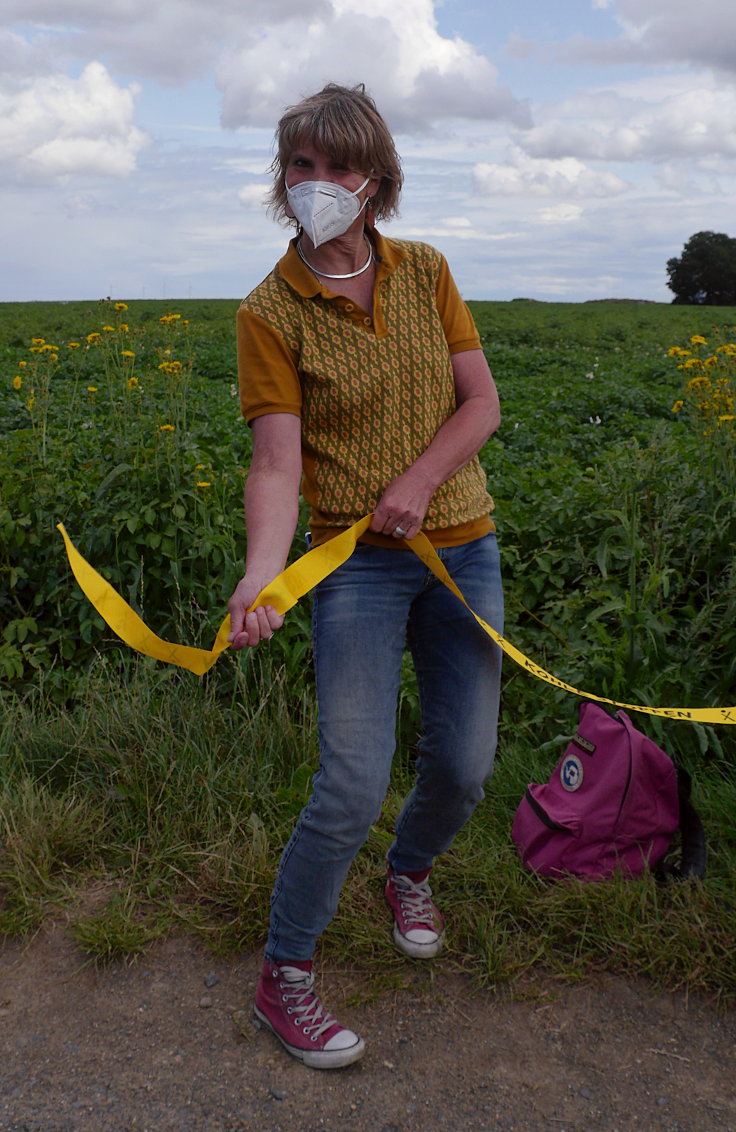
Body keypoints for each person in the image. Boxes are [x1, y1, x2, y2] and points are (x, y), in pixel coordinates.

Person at [227, 82, 503, 1070]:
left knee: (466, 763)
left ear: (376, 180)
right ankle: (283, 975)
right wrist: (264, 576)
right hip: (355, 574)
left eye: (338, 166)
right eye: (300, 165)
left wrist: (420, 480)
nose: (317, 184)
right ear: (281, 178)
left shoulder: (426, 270)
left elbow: (481, 404)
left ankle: (410, 871)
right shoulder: (270, 310)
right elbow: (276, 462)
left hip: (462, 547)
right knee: (349, 777)